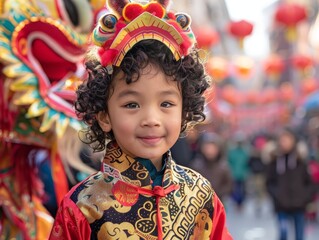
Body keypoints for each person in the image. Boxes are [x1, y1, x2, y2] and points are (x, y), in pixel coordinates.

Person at [49, 0, 233, 239]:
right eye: (132, 105)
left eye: (166, 104)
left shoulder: (201, 193)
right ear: (104, 115)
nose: (151, 119)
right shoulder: (83, 206)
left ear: (184, 110)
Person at [266, 127, 316, 240]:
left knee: (299, 235)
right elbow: (269, 182)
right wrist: (276, 195)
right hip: (281, 205)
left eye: (287, 139)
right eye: (282, 140)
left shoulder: (301, 161)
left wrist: (306, 197)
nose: (285, 143)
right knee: (283, 232)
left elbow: (310, 182)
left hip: (299, 205)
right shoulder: (275, 161)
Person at [191, 132, 233, 203]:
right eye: (207, 147)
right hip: (199, 202)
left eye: (213, 148)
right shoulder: (196, 165)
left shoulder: (223, 166)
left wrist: (218, 193)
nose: (210, 151)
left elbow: (229, 184)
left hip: (218, 201)